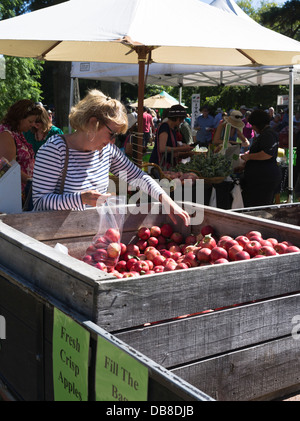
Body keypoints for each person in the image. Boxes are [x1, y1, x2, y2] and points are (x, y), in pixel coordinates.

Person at [32, 90, 190, 226]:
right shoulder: (54, 150)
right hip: (55, 237)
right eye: (111, 134)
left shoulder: (107, 150)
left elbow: (138, 176)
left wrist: (166, 200)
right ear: (93, 123)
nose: (113, 141)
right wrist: (81, 199)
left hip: (91, 233)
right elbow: (40, 202)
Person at [0, 99, 42, 202]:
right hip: (15, 194)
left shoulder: (17, 132)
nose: (32, 125)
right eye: (30, 121)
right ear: (19, 117)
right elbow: (8, 168)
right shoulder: (6, 134)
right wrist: (31, 181)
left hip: (23, 191)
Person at [240, 109, 282, 207]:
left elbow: (266, 154)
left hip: (264, 180)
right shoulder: (266, 133)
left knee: (260, 207)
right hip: (261, 178)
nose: (253, 128)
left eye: (253, 125)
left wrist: (249, 157)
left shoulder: (268, 134)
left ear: (258, 124)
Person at [149, 104, 194, 168]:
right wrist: (182, 148)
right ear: (177, 118)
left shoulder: (172, 129)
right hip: (159, 166)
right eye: (181, 120)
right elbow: (162, 148)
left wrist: (182, 148)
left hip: (166, 164)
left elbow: (170, 147)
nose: (182, 122)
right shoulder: (165, 127)